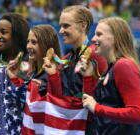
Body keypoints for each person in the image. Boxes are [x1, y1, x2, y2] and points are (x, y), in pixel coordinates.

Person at [42, 5, 108, 134]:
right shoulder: (67, 59)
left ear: (83, 26)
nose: (60, 31)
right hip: (71, 126)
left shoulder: (96, 55)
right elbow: (59, 99)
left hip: (91, 128)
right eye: (60, 26)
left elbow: (103, 98)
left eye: (66, 26)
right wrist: (53, 75)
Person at [81, 16, 140, 135]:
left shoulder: (124, 66)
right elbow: (91, 105)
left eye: (99, 34)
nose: (93, 38)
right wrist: (87, 77)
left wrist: (97, 108)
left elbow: (138, 114)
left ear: (115, 38)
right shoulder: (111, 67)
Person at [6, 24, 62, 134]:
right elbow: (23, 105)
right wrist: (14, 79)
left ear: (47, 45)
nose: (28, 46)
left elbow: (56, 105)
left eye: (34, 42)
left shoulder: (56, 73)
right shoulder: (33, 73)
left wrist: (53, 77)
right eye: (28, 41)